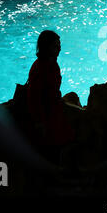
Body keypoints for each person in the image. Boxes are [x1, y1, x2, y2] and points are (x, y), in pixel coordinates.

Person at [26, 30, 75, 163]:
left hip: (53, 109)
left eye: (59, 45)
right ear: (47, 47)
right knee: (56, 146)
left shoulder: (51, 63)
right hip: (47, 114)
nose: (59, 48)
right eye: (55, 45)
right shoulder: (42, 67)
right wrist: (40, 122)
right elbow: (34, 97)